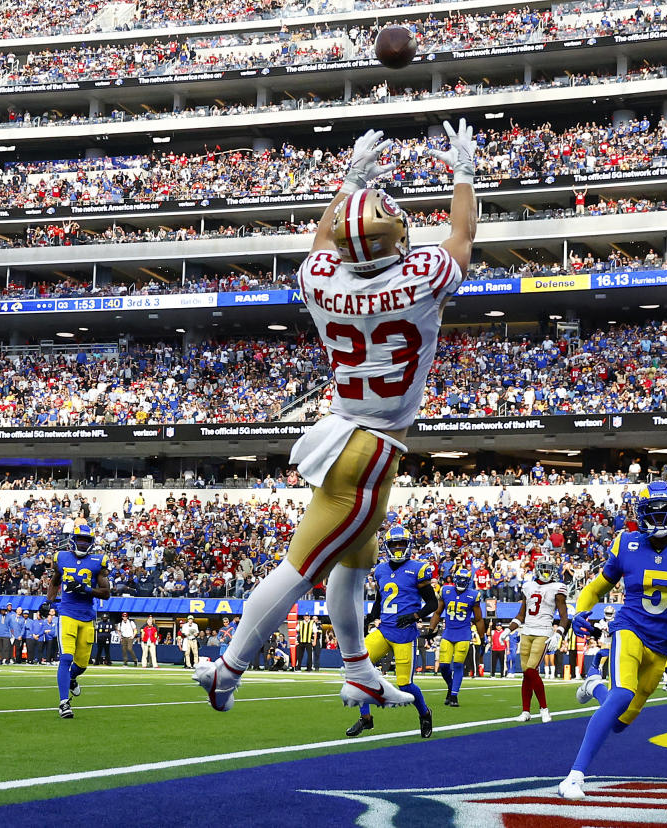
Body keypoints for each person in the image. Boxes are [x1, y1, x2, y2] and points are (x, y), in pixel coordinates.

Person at [194, 120, 476, 715]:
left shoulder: (319, 282)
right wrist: (464, 173)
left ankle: (357, 672)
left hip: (348, 431)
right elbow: (462, 235)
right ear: (395, 238)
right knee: (301, 567)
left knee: (354, 563)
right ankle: (228, 667)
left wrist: (349, 184)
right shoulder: (421, 278)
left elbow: (322, 244)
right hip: (369, 448)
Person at [560, 482, 667, 799]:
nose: (660, 520)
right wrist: (580, 612)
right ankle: (574, 776)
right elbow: (595, 588)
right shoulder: (626, 543)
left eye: (665, 514)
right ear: (641, 514)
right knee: (622, 693)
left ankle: (594, 684)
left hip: (663, 645)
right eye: (653, 514)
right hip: (630, 628)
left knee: (621, 721)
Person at [344, 527, 438, 738]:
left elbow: (432, 602)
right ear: (387, 546)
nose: (397, 548)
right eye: (394, 544)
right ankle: (366, 719)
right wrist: (371, 616)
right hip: (384, 629)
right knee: (357, 667)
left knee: (405, 684)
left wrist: (415, 616)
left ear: (408, 545)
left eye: (401, 544)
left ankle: (424, 713)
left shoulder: (418, 569)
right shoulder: (381, 570)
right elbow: (380, 599)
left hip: (405, 633)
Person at [45, 526, 111, 719]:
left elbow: (106, 593)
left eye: (86, 540)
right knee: (66, 658)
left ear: (91, 543)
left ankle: (72, 678)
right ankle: (64, 703)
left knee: (82, 665)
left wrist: (86, 589)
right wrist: (48, 602)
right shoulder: (61, 558)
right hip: (67, 613)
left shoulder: (98, 562)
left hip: (87, 616)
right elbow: (55, 581)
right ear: (73, 539)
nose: (82, 543)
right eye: (79, 539)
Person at [511, 559, 570, 723]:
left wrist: (558, 634)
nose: (545, 573)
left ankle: (544, 709)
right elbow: (521, 614)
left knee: (531, 670)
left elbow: (564, 617)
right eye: (543, 569)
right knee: (526, 674)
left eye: (548, 570)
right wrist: (509, 630)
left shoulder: (557, 588)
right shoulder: (528, 586)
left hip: (543, 631)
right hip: (526, 631)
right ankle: (525, 711)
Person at [426, 564, 484, 706]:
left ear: (468, 581)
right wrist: (431, 628)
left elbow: (478, 619)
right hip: (448, 633)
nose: (462, 582)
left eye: (465, 580)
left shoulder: (473, 595)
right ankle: (451, 687)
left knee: (458, 665)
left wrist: (482, 638)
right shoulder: (445, 590)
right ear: (454, 578)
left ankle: (454, 696)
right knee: (444, 666)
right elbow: (438, 612)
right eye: (460, 579)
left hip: (464, 634)